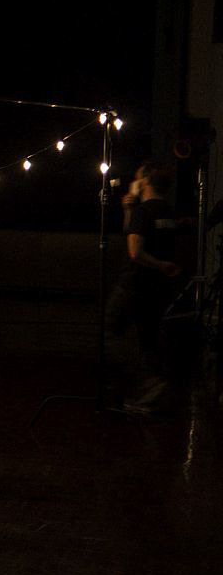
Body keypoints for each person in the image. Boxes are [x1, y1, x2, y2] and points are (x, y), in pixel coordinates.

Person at [106, 159, 181, 414]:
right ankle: (149, 393)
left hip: (134, 283)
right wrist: (129, 209)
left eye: (138, 178)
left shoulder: (144, 211)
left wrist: (159, 265)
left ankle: (146, 380)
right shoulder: (168, 211)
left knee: (110, 329)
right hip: (157, 288)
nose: (135, 182)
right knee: (147, 337)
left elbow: (135, 252)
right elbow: (134, 233)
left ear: (146, 180)